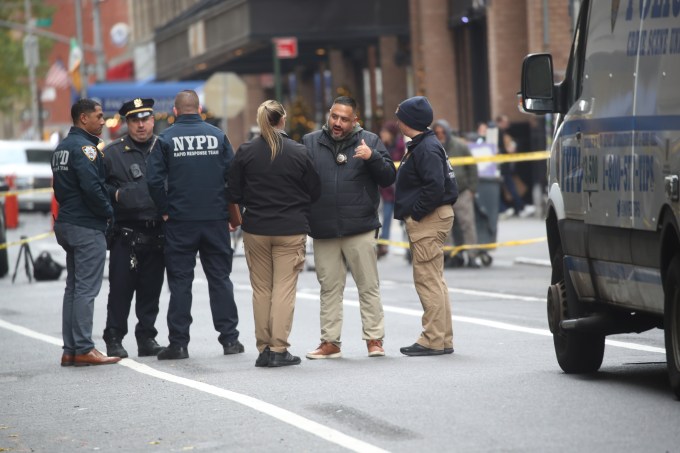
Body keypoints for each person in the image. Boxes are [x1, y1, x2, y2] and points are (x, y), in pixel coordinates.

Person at [147, 90, 242, 360]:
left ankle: (178, 344)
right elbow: (233, 176)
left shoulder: (165, 139)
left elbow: (154, 181)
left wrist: (165, 211)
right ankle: (230, 340)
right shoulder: (218, 136)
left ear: (175, 112)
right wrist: (230, 212)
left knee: (180, 283)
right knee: (220, 280)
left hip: (180, 221)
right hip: (215, 220)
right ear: (199, 108)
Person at [228, 100, 321, 367]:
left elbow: (232, 192)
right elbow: (315, 189)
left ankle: (263, 348)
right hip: (290, 228)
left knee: (261, 290)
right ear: (282, 120)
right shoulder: (298, 152)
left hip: (256, 228)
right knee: (284, 289)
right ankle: (278, 348)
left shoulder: (246, 151)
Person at [302, 96, 396, 359]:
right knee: (329, 287)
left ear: (355, 120)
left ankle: (374, 340)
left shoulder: (371, 140)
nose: (338, 123)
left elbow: (389, 178)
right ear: (329, 115)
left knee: (368, 285)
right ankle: (330, 342)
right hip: (323, 228)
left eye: (344, 119)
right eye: (334, 116)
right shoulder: (310, 142)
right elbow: (299, 182)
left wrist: (372, 157)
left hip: (360, 226)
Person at [51, 99, 120, 367]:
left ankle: (70, 349)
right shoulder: (85, 149)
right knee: (86, 290)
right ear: (83, 118)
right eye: (99, 116)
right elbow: (93, 188)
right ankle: (83, 347)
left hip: (67, 222)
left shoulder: (61, 149)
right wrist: (108, 212)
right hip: (85, 224)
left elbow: (59, 190)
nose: (103, 121)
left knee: (74, 287)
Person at [393, 96, 458, 356]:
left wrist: (416, 213)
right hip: (434, 216)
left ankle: (432, 338)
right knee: (435, 280)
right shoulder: (425, 144)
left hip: (429, 218)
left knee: (427, 281)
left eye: (400, 115)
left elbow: (435, 186)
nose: (397, 119)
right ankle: (443, 338)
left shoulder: (426, 148)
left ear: (409, 120)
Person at [101, 98, 165, 358]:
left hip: (158, 231)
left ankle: (146, 337)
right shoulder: (112, 153)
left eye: (145, 119)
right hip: (126, 234)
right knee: (120, 289)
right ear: (127, 123)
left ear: (152, 120)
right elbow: (98, 187)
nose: (141, 125)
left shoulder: (164, 147)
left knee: (151, 290)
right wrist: (116, 195)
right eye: (135, 120)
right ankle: (114, 337)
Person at [433, 120, 481, 268]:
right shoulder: (433, 147)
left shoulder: (460, 146)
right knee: (446, 226)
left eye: (442, 132)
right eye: (437, 133)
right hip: (443, 193)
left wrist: (472, 188)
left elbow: (472, 166)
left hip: (462, 191)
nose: (440, 135)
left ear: (447, 132)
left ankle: (472, 255)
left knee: (467, 224)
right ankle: (451, 255)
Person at [377, 121, 406, 258]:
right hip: (387, 191)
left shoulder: (401, 146)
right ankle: (384, 244)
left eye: (385, 132)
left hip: (400, 190)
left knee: (404, 220)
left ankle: (408, 247)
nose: (382, 135)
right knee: (386, 218)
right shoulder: (383, 146)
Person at [496, 114, 534, 217]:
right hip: (500, 166)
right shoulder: (496, 133)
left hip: (503, 166)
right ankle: (513, 208)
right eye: (505, 122)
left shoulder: (503, 133)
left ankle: (514, 208)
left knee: (509, 187)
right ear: (499, 122)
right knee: (506, 187)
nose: (507, 124)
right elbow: (495, 150)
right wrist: (506, 151)